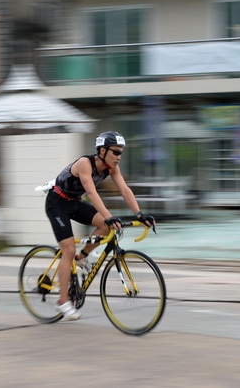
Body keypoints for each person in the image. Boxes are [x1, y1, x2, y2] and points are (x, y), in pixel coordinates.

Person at [45, 131, 156, 321]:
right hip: (57, 203)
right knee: (68, 249)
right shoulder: (85, 163)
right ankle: (63, 301)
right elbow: (91, 192)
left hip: (74, 202)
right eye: (115, 152)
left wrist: (139, 214)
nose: (119, 157)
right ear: (102, 151)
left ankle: (81, 258)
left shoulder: (112, 168)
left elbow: (124, 190)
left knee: (106, 227)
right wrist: (109, 216)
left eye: (121, 153)